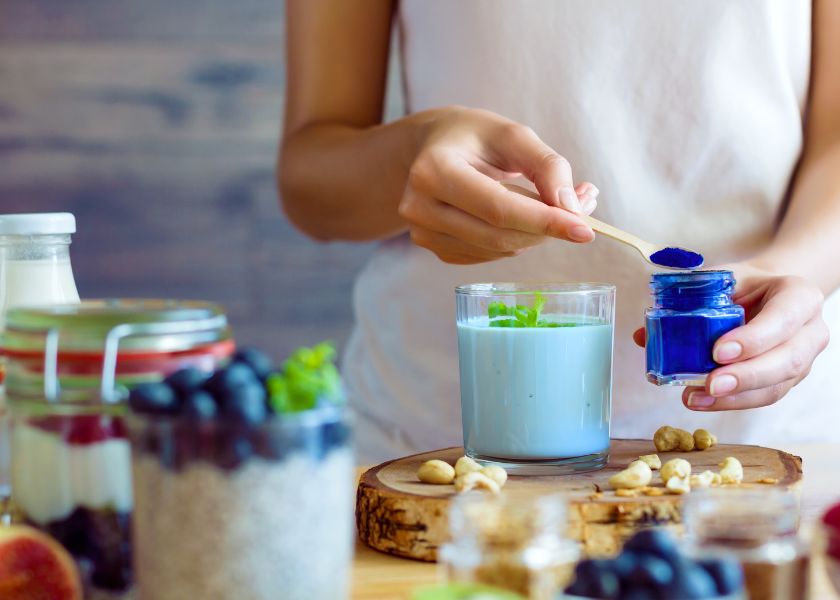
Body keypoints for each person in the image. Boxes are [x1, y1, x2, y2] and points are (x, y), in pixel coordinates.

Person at [279, 1, 838, 463]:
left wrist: (796, 272)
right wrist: (412, 157)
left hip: (763, 447)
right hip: (440, 452)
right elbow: (309, 179)